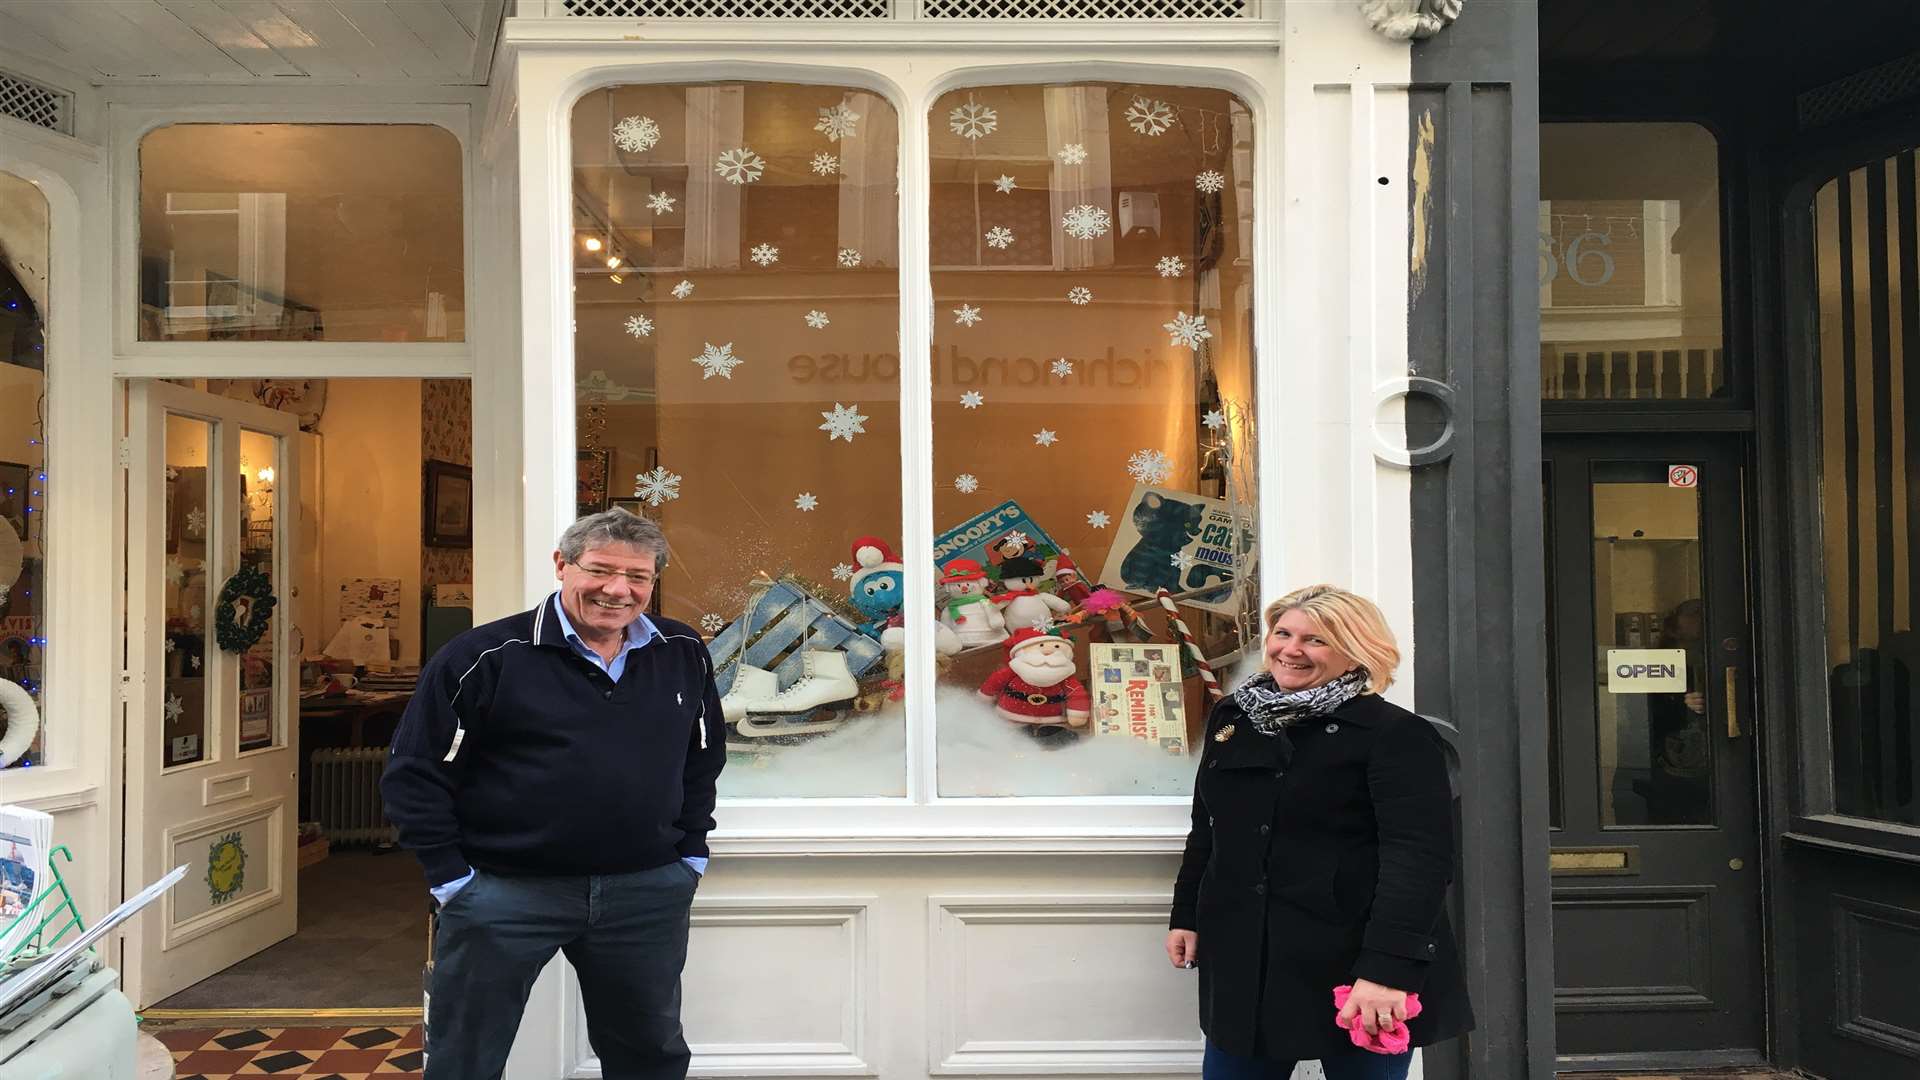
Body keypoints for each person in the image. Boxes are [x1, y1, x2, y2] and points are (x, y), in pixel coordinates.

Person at [383, 508, 727, 1080]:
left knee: (650, 1054)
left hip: (643, 893)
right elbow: (414, 772)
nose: (618, 590)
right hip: (505, 894)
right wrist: (453, 880)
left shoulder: (682, 650)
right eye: (600, 570)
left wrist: (689, 853)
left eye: (638, 577)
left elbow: (703, 755)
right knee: (464, 1058)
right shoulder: (484, 657)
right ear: (562, 566)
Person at [1165, 584, 1472, 1080]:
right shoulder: (1235, 719)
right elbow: (1208, 827)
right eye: (1282, 633)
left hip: (1357, 962)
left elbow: (1418, 861)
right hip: (1247, 956)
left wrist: (1386, 971)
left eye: (1315, 640)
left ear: (1356, 649)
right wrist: (1187, 914)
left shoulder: (1395, 735)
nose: (1290, 649)